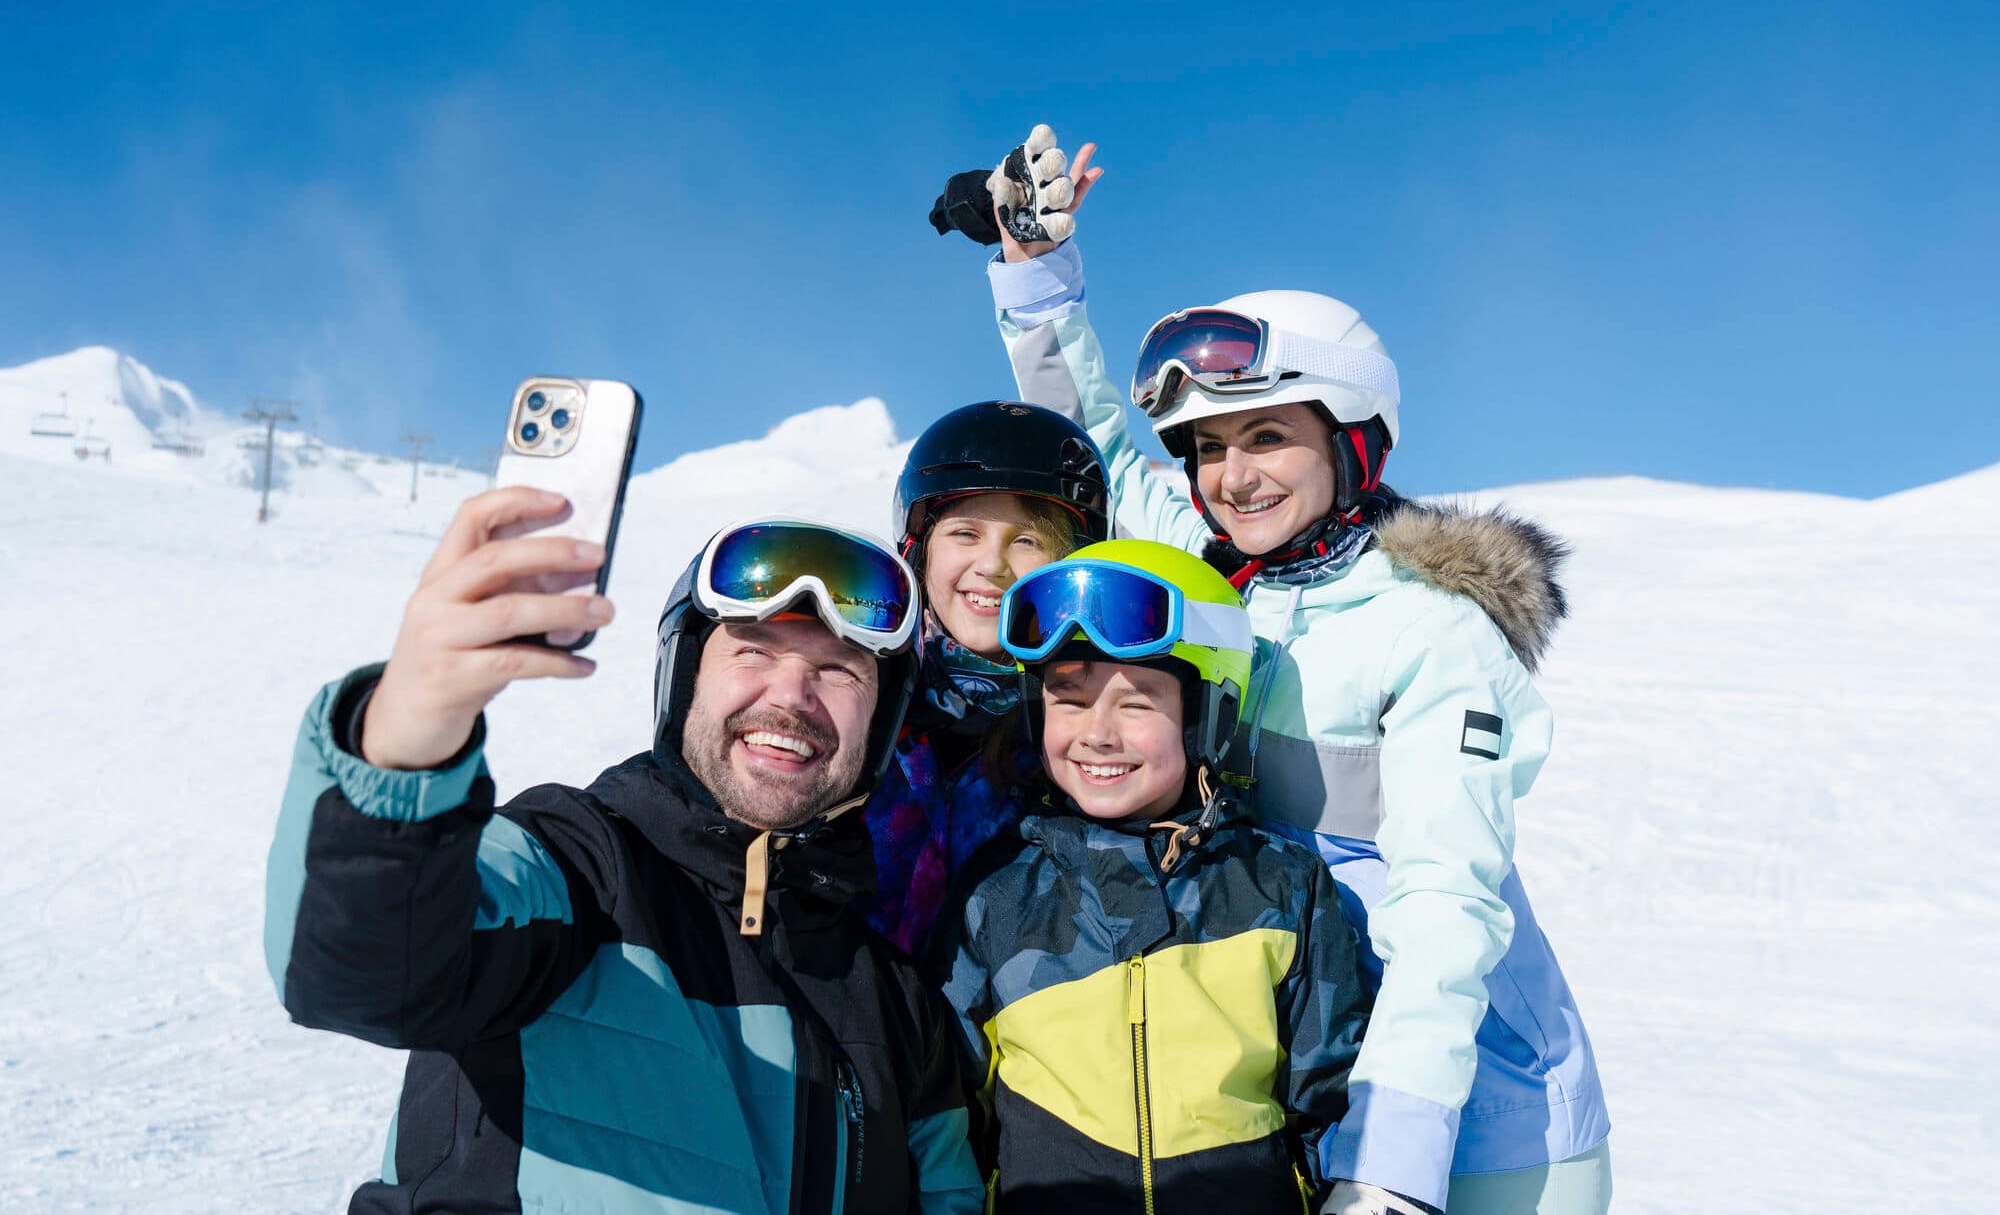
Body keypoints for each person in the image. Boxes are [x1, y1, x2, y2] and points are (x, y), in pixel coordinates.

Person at [941, 127, 1612, 1214]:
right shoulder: (1207, 576)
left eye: (1264, 438)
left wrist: (1391, 1165)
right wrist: (1033, 275)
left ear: (1351, 441)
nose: (1229, 477)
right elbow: (1098, 450)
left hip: (1472, 1107)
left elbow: (1445, 900)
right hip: (1284, 1073)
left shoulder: (1431, 628)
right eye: (1205, 448)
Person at [264, 489, 985, 1213]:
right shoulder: (580, 868)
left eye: (839, 670)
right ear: (686, 679)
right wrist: (402, 749)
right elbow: (366, 966)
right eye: (754, 649)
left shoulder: (900, 1009)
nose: (792, 695)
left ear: (882, 722)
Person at [938, 540, 1373, 1211]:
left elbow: (1331, 1100)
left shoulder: (1281, 887)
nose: (1098, 733)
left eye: (1137, 701)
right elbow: (952, 1119)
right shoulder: (996, 898)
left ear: (1207, 714)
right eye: (1069, 698)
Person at [860, 401, 1109, 956]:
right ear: (919, 550)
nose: (992, 566)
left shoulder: (1086, 727)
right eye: (965, 534)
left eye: (1027, 541)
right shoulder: (859, 691)